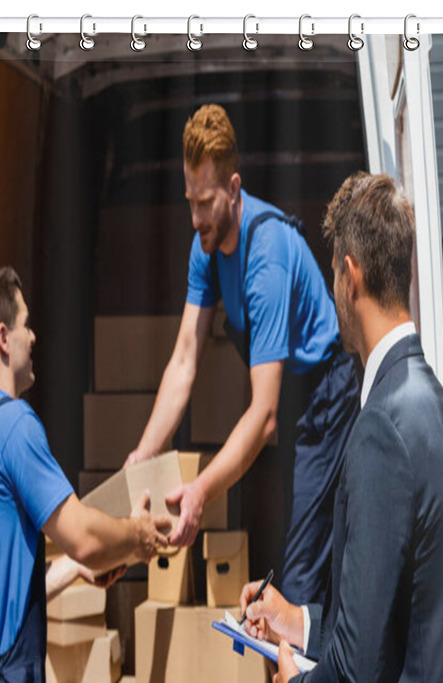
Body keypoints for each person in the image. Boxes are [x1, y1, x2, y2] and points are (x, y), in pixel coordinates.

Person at [239, 172, 443, 683]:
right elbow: (396, 622)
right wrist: (297, 621)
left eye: (332, 274)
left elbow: (355, 674)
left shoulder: (380, 428)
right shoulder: (434, 402)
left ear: (350, 277)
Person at [126, 104, 359, 606]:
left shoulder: (266, 258)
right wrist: (142, 456)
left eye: (205, 202)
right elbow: (184, 358)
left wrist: (200, 492)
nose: (195, 218)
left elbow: (265, 414)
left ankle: (305, 672)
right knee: (302, 543)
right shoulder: (205, 246)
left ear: (233, 188)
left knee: (300, 571)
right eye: (188, 200)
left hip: (328, 397)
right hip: (290, 395)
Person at [0, 266, 172, 683]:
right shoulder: (16, 426)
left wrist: (76, 570)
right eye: (26, 324)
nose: (34, 335)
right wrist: (137, 537)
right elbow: (84, 535)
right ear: (4, 338)